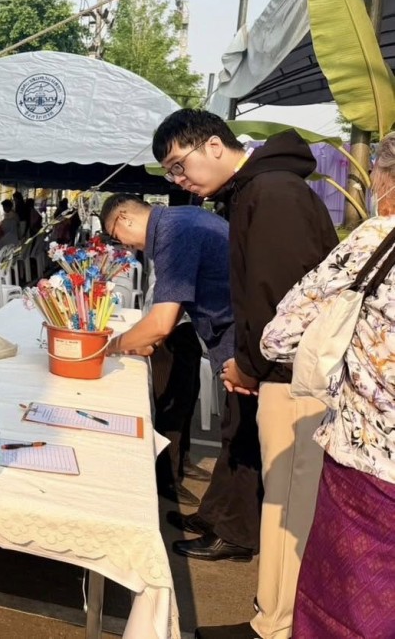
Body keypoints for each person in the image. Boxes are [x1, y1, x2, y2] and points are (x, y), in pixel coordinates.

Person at [153, 109, 338, 639]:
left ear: (214, 144)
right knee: (281, 501)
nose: (179, 179)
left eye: (179, 164)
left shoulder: (272, 192)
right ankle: (271, 616)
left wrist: (252, 365)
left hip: (293, 375)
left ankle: (277, 625)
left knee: (291, 505)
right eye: (169, 172)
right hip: (278, 371)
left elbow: (283, 297)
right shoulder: (256, 190)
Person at [261, 131, 395, 639]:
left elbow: (280, 337)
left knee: (347, 612)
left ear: (386, 178)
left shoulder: (379, 238)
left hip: (371, 466)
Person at [99, 194, 233, 504]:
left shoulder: (174, 232)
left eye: (118, 236)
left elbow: (161, 321)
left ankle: (208, 508)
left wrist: (113, 346)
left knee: (183, 404)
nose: (126, 245)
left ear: (124, 218)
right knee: (188, 400)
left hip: (229, 335)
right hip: (213, 329)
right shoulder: (180, 220)